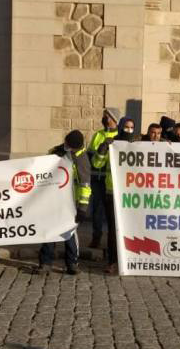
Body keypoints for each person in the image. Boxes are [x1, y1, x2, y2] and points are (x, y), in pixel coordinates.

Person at [38, 130, 90, 275]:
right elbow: (44, 164)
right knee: (49, 230)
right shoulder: (59, 150)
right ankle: (45, 262)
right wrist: (56, 152)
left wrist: (82, 208)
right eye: (65, 142)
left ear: (74, 146)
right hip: (54, 198)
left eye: (68, 144)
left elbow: (85, 186)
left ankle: (72, 263)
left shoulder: (82, 160)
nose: (65, 144)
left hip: (71, 202)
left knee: (70, 233)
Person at [85, 108, 119, 249]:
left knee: (112, 212)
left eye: (107, 116)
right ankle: (96, 237)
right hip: (96, 178)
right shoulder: (98, 134)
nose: (105, 119)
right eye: (104, 116)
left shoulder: (119, 135)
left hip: (111, 180)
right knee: (96, 209)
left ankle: (114, 240)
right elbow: (90, 154)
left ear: (114, 119)